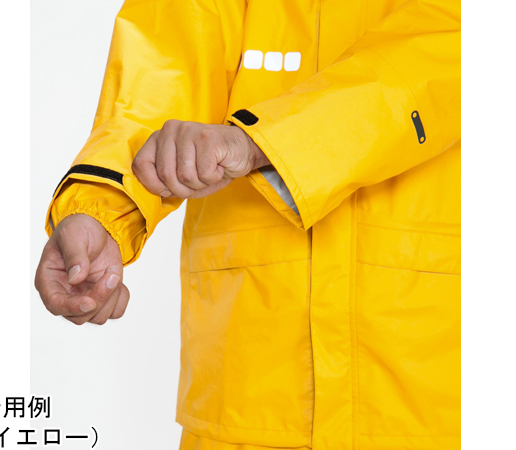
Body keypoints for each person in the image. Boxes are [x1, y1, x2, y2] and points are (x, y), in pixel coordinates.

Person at [35, 0, 461, 448]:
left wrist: (262, 142)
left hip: (433, 392)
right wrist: (103, 208)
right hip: (247, 392)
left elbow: (453, 46)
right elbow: (168, 52)